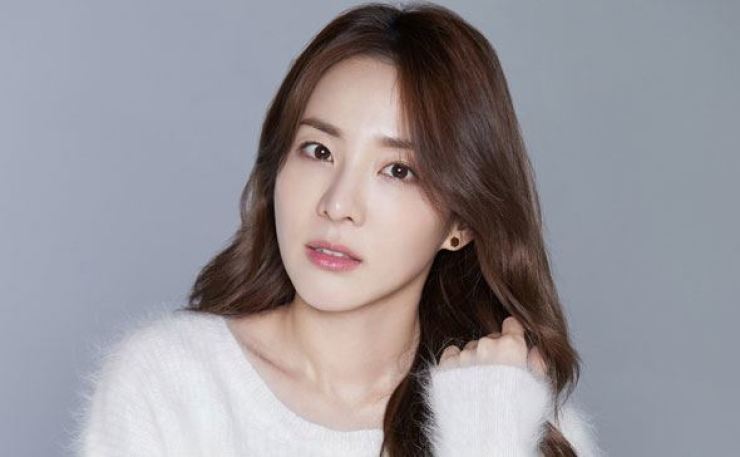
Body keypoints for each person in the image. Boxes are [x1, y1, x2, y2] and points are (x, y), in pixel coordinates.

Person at [71, 2, 605, 456]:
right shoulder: (173, 384)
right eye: (319, 151)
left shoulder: (518, 418)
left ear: (461, 222)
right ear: (277, 167)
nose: (338, 204)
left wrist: (486, 433)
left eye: (398, 170)